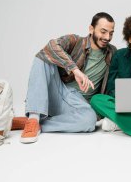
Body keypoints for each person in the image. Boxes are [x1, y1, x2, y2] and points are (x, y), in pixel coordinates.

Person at [19, 12, 116, 143]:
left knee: (89, 121)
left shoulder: (112, 52)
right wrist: (75, 70)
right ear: (91, 29)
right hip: (59, 92)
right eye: (103, 32)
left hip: (79, 105)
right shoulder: (76, 41)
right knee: (43, 57)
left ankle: (34, 123)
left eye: (111, 33)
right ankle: (34, 117)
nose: (107, 37)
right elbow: (52, 46)